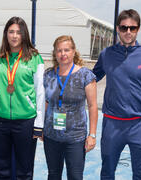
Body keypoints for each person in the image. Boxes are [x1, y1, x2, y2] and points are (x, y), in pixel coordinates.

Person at [93, 9, 141, 180]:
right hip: (112, 125)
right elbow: (91, 78)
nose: (128, 32)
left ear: (138, 29)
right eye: (124, 27)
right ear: (118, 29)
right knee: (107, 173)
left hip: (140, 125)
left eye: (132, 28)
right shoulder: (107, 55)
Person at [0, 16, 45, 180]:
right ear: (6, 34)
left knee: (25, 169)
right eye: (11, 32)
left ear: (24, 35)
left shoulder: (35, 57)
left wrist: (39, 123)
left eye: (18, 32)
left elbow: (40, 91)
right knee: (0, 167)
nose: (14, 36)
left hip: (25, 121)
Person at [43, 35, 98, 180]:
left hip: (75, 138)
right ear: (55, 53)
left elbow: (92, 106)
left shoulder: (85, 75)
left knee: (75, 176)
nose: (63, 54)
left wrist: (92, 135)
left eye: (66, 50)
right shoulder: (48, 75)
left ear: (74, 51)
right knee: (53, 175)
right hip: (51, 136)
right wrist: (42, 127)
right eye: (59, 50)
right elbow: (46, 102)